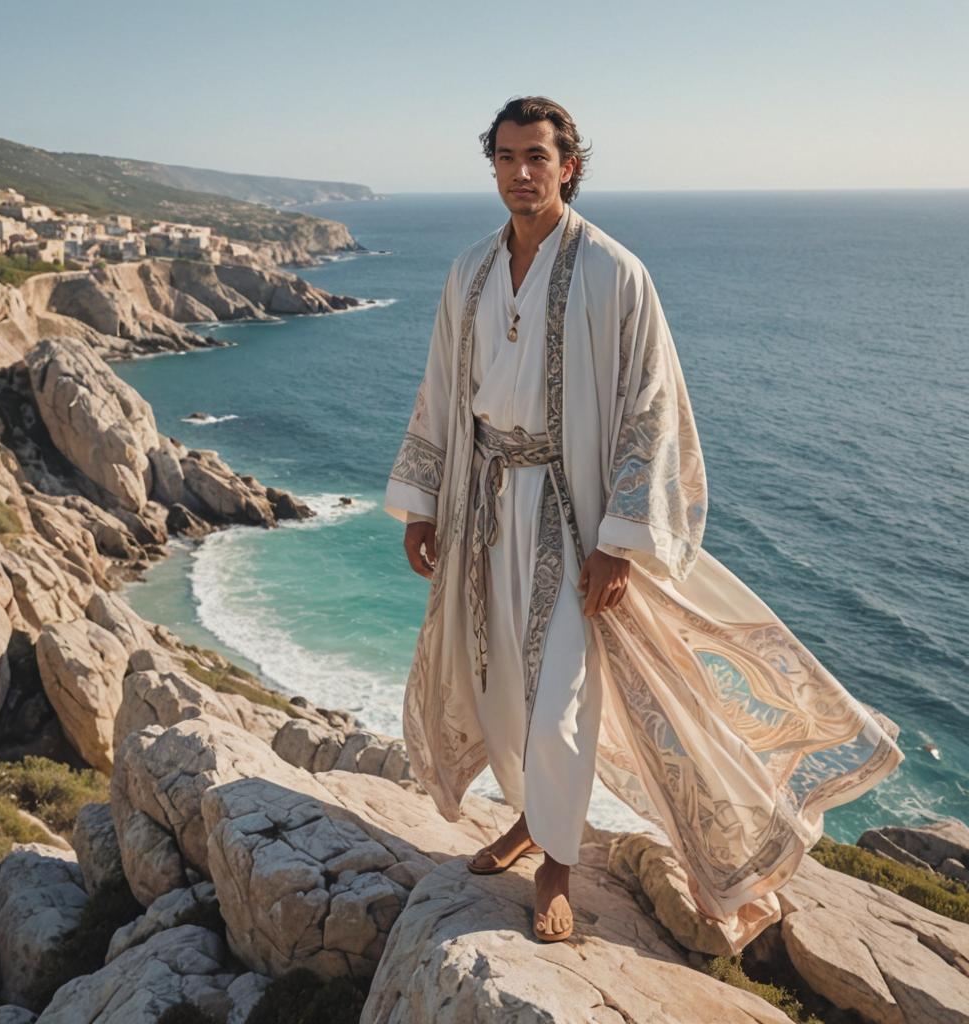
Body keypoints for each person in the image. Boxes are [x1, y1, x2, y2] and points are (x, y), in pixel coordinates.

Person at [383, 96, 904, 948]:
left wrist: (620, 539)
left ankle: (557, 864)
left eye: (538, 158)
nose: (521, 173)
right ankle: (529, 819)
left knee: (559, 702)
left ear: (569, 166)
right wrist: (424, 503)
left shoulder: (614, 273)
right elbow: (440, 390)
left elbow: (650, 414)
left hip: (570, 514)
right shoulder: (469, 271)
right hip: (483, 511)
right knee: (499, 688)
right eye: (507, 157)